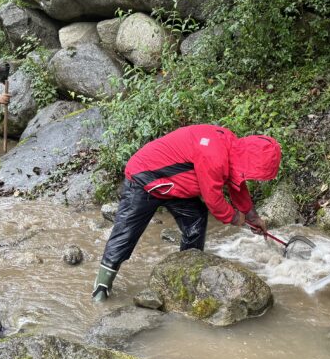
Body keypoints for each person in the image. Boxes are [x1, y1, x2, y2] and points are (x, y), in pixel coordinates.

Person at [92, 124, 281, 301]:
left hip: (175, 186)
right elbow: (213, 198)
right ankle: (101, 287)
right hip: (144, 178)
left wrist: (251, 216)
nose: (253, 177)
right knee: (126, 234)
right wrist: (233, 217)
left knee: (196, 218)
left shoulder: (233, 149)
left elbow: (237, 184)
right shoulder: (214, 154)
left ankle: (187, 269)